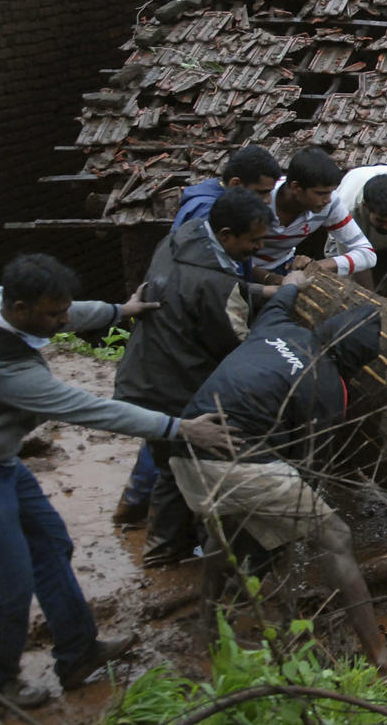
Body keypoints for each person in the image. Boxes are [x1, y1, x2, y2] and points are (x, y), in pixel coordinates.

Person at [0, 254, 233, 708]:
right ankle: (1, 680)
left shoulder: (6, 305)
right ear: (20, 309)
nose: (64, 320)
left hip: (5, 463)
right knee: (10, 581)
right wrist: (179, 427)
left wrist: (118, 311)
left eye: (64, 309)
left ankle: (79, 651)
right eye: (53, 314)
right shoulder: (7, 369)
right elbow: (94, 409)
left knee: (51, 544)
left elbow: (70, 313)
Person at [168, 283, 387, 673]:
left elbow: (279, 299)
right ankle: (381, 657)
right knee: (336, 536)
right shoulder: (329, 389)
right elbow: (309, 472)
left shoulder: (279, 327)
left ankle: (206, 626)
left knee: (227, 523)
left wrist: (293, 282)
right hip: (236, 461)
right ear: (354, 366)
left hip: (186, 444)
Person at [112, 189, 287, 565]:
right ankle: (164, 557)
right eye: (253, 241)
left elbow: (202, 291)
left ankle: (154, 536)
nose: (256, 250)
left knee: (170, 464)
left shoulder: (181, 238)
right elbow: (238, 347)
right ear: (225, 235)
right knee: (182, 468)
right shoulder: (217, 285)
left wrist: (263, 290)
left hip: (142, 375)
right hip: (171, 388)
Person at [252, 147, 376, 283]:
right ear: (295, 187)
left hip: (284, 266)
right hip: (242, 270)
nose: (327, 200)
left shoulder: (330, 203)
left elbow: (367, 254)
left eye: (330, 192)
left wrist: (317, 266)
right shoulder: (259, 199)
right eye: (321, 193)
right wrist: (269, 278)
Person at [325, 165, 387, 303]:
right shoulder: (346, 211)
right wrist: (373, 306)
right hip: (348, 240)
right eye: (382, 221)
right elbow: (357, 264)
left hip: (386, 238)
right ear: (366, 207)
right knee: (346, 288)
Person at [171, 145, 281, 235]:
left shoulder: (222, 201)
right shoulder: (207, 211)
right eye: (261, 192)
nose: (268, 201)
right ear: (236, 184)